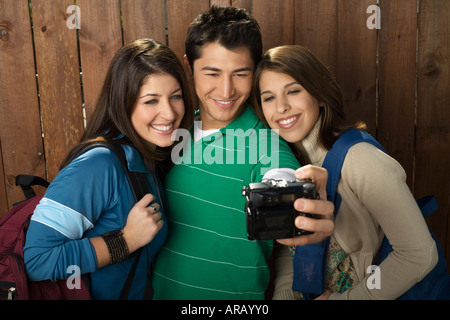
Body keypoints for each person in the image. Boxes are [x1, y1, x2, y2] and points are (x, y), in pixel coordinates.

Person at [152, 6, 334, 300]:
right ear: (189, 66)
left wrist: (300, 204)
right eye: (212, 73)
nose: (226, 91)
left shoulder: (263, 142)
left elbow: (281, 175)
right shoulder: (172, 130)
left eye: (240, 74)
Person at [252, 44, 439, 299]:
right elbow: (292, 245)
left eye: (293, 91)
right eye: (268, 97)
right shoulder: (286, 164)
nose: (281, 107)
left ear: (319, 94)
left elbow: (419, 254)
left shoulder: (359, 158)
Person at [23, 39, 195, 300]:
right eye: (151, 101)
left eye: (175, 96)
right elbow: (37, 260)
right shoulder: (99, 164)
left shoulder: (147, 156)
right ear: (123, 103)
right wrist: (125, 240)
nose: (169, 113)